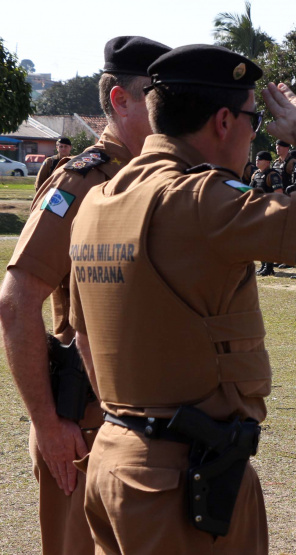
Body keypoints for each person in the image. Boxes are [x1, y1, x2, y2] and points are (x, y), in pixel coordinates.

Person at [67, 45, 296, 554]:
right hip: (182, 476)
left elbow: (85, 336)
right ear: (224, 120)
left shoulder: (100, 199)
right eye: (253, 118)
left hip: (114, 454)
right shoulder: (197, 196)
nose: (254, 131)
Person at [0, 36, 171, 555]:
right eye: (157, 94)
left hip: (156, 426)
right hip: (85, 425)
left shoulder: (170, 183)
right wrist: (48, 425)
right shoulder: (82, 181)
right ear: (121, 100)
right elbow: (17, 301)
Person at [250, 150, 285, 277]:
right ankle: (264, 265)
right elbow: (250, 190)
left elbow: (279, 193)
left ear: (267, 162)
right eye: (257, 159)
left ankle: (269, 267)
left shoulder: (273, 175)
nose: (257, 161)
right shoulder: (255, 174)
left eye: (260, 159)